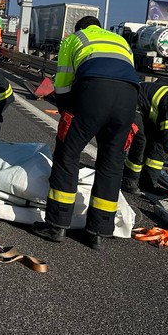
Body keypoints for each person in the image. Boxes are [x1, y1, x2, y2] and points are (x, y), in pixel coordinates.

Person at [32, 15, 139, 250]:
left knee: (68, 155)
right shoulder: (119, 40)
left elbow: (62, 83)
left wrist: (66, 113)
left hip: (94, 90)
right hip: (128, 98)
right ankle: (99, 232)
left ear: (79, 28)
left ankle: (57, 225)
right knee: (111, 164)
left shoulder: (75, 39)